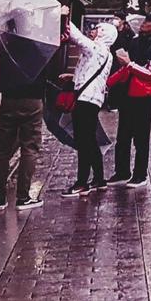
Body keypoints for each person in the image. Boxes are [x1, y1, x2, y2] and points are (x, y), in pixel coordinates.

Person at [0, 29, 59, 210]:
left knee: (3, 150)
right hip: (32, 98)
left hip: (8, 98)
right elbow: (50, 68)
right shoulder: (39, 45)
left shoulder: (4, 45)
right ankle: (23, 197)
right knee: (29, 147)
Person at [107, 13, 151, 188]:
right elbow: (127, 67)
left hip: (143, 96)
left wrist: (129, 64)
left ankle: (140, 174)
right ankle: (122, 171)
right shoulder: (134, 41)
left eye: (148, 22)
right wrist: (111, 81)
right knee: (123, 135)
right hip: (127, 93)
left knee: (141, 136)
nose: (143, 24)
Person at [61, 20, 116, 197]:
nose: (93, 31)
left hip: (86, 100)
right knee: (90, 140)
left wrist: (66, 17)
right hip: (91, 100)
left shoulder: (97, 49)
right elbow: (89, 72)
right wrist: (73, 77)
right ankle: (99, 179)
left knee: (83, 142)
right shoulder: (103, 53)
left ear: (103, 34)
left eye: (97, 29)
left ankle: (82, 182)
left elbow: (77, 38)